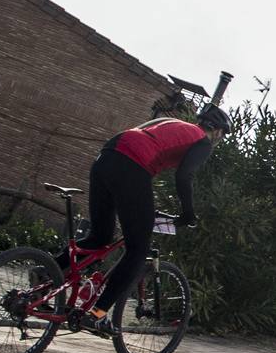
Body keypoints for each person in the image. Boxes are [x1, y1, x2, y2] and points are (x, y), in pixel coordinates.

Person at [67, 105, 228, 334]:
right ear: (218, 131)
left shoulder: (171, 123)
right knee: (138, 249)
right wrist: (188, 213)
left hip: (107, 156)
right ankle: (97, 314)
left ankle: (49, 270)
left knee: (99, 237)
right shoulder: (202, 140)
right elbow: (185, 176)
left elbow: (136, 140)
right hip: (132, 165)